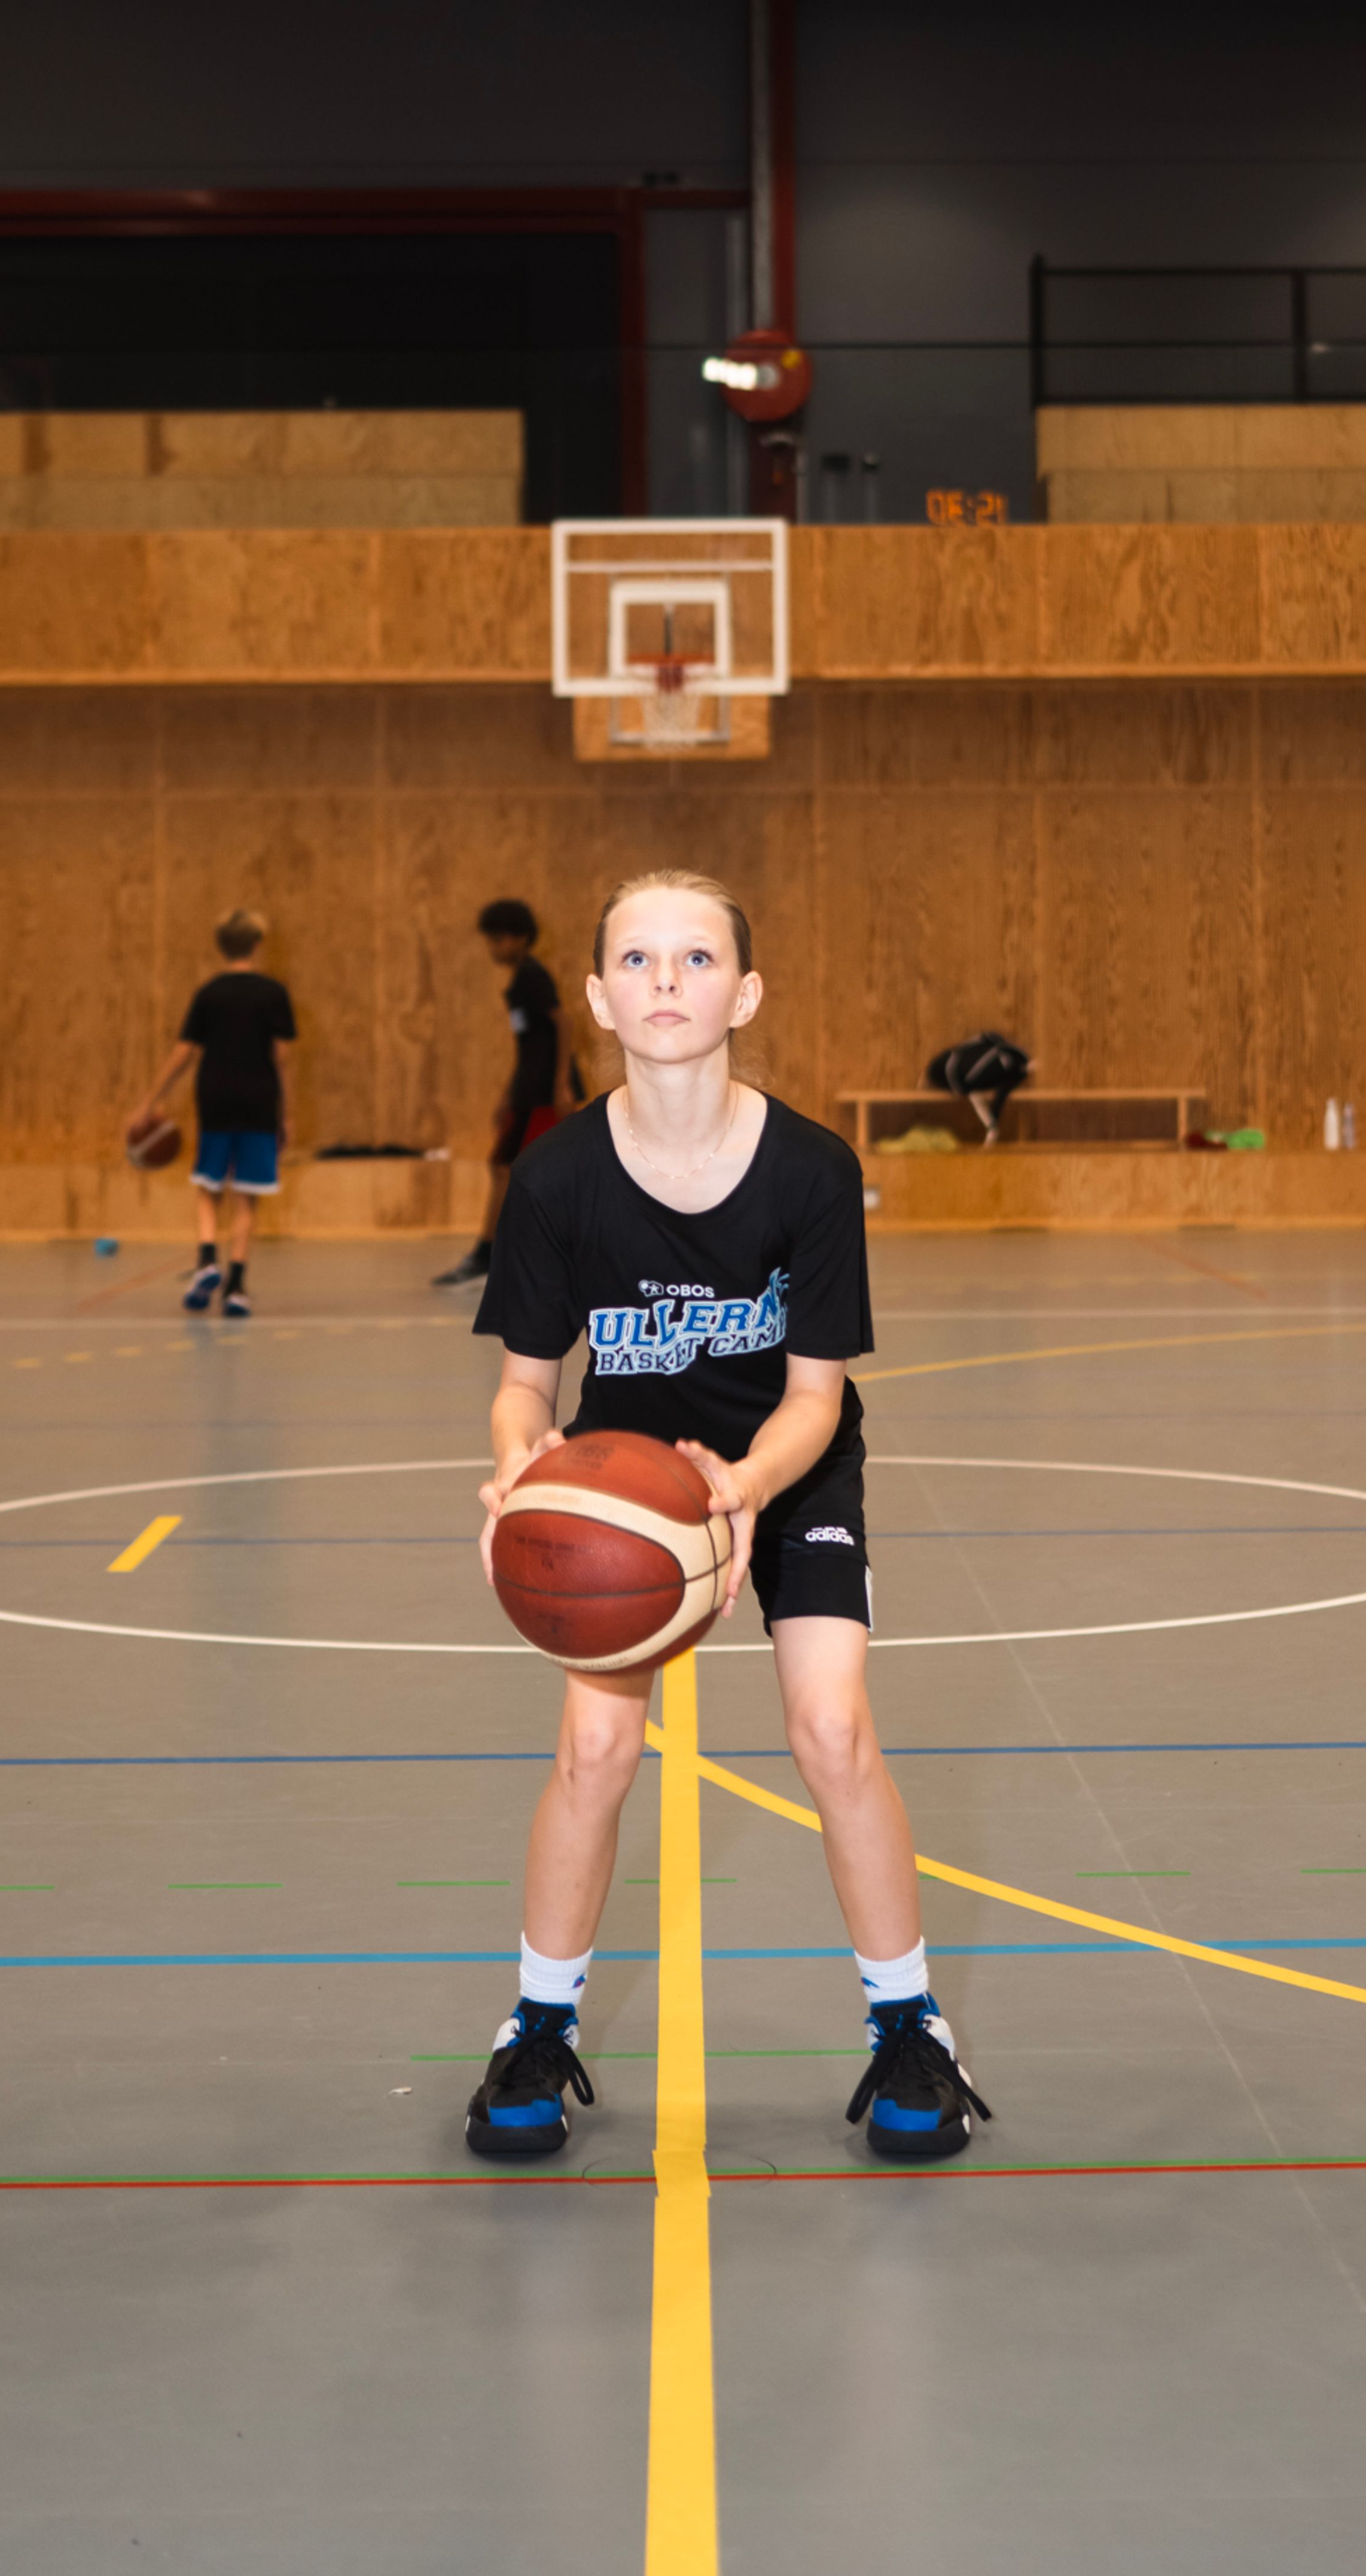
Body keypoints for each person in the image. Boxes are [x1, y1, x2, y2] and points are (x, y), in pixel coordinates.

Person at [463, 868, 993, 2162]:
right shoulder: (556, 1177)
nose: (666, 980)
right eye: (637, 960)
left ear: (744, 994)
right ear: (599, 998)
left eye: (697, 959)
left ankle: (911, 2025)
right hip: (626, 1489)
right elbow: (525, 1385)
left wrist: (745, 1486)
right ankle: (537, 2025)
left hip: (786, 1471)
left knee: (832, 1728)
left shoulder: (810, 1170)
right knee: (594, 1750)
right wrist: (521, 1469)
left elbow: (817, 1395)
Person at [126, 908, 295, 1317]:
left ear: (221, 946)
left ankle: (206, 1261)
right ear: (258, 944)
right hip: (259, 1100)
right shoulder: (273, 993)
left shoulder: (209, 994)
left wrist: (149, 1102)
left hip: (216, 1098)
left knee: (208, 1186)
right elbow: (283, 1056)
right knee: (247, 1196)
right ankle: (236, 1287)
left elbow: (184, 1053)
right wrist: (286, 1113)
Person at [430, 897, 581, 1291]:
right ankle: (491, 1254)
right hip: (527, 1091)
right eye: (491, 940)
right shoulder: (519, 981)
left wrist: (562, 1084)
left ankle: (495, 1255)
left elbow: (563, 1024)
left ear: (522, 939)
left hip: (544, 1093)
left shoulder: (533, 976)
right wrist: (507, 1095)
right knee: (503, 1167)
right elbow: (528, 1047)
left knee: (522, 1170)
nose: (493, 948)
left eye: (499, 940)